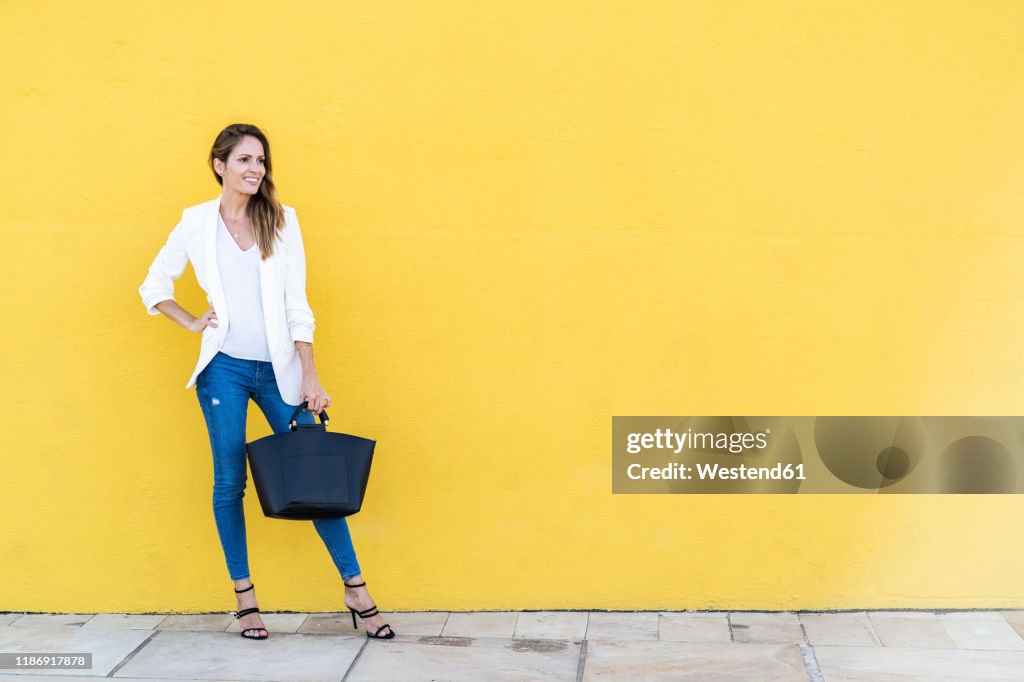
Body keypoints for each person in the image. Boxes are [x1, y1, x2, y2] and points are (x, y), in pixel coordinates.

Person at [138, 123, 394, 641]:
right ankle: (245, 599)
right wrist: (190, 321)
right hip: (223, 369)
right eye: (244, 160)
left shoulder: (281, 220)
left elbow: (296, 304)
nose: (255, 169)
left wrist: (310, 375)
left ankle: (356, 588)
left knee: (316, 478)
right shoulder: (195, 223)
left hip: (279, 369)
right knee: (229, 482)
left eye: (261, 161)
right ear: (220, 165)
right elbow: (153, 285)